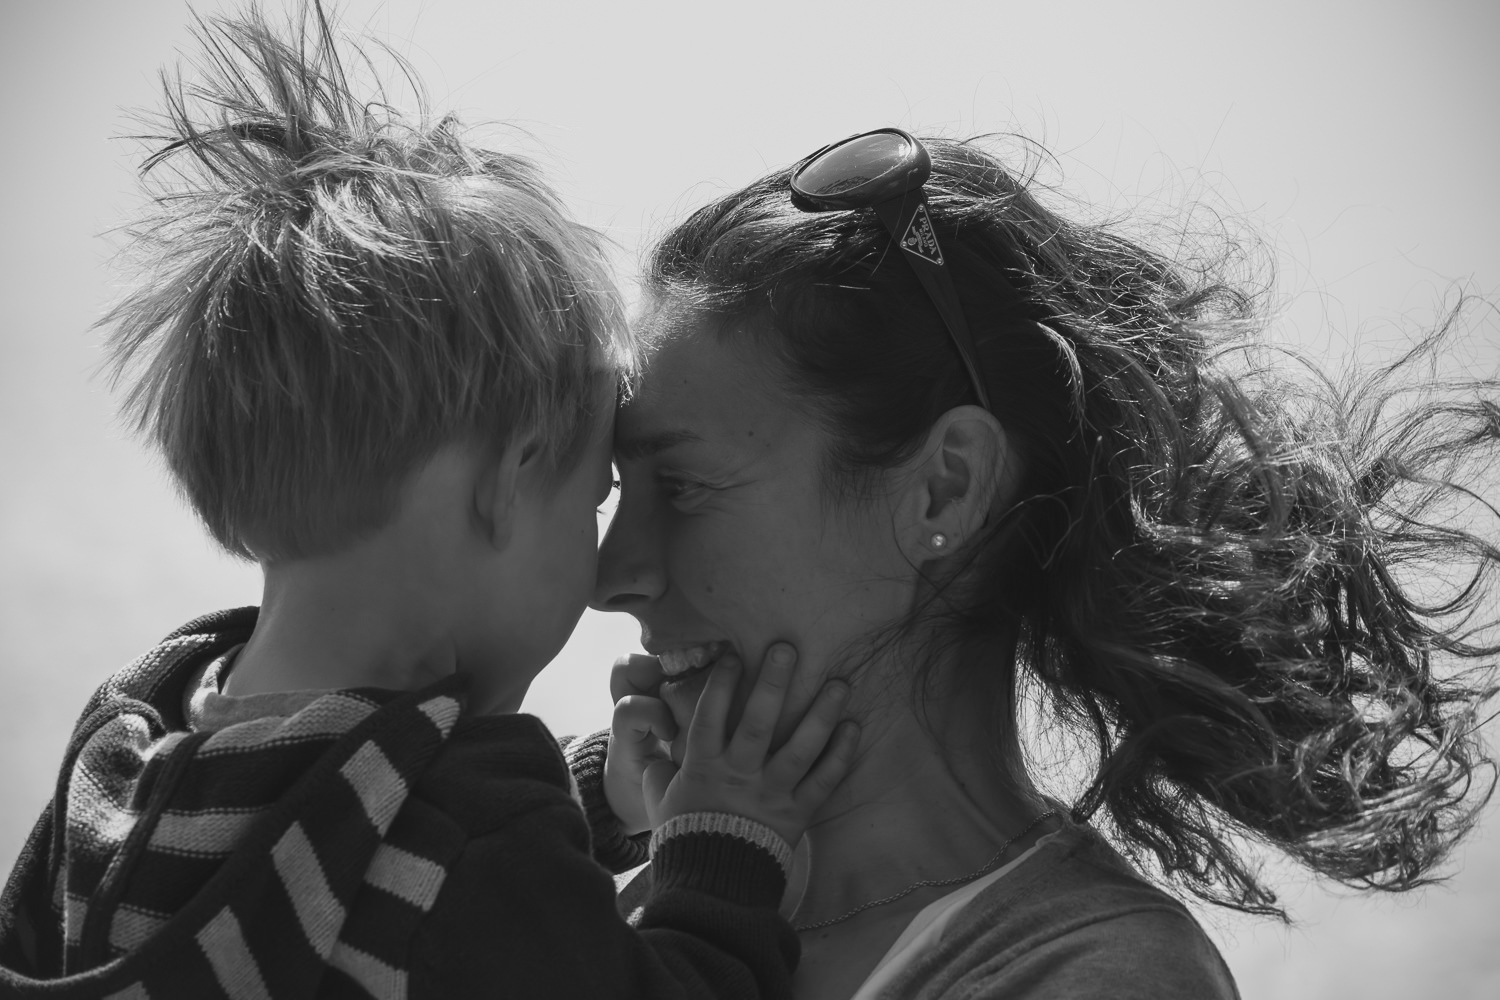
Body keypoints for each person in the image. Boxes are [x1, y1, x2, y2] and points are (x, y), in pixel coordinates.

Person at [0, 7, 860, 999]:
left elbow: (374, 846)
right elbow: (480, 894)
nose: (607, 564)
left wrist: (598, 797)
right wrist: (722, 851)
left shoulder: (128, 749)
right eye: (595, 496)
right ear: (509, 479)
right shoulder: (477, 848)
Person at [593, 129, 1499, 999]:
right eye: (611, 489)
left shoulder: (1097, 978)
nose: (611, 575)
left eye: (680, 486)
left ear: (945, 489)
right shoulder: (645, 917)